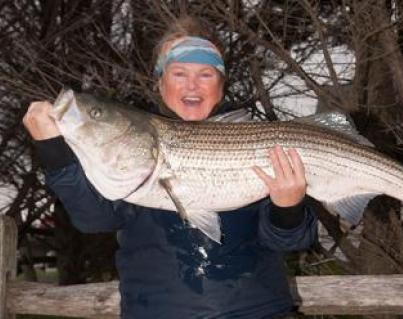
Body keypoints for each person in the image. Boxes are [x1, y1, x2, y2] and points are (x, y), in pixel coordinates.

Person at [23, 16, 318, 319]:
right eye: (179, 73)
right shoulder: (126, 150)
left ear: (221, 84)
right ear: (160, 82)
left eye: (206, 74)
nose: (192, 85)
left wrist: (288, 208)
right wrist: (54, 151)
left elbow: (293, 240)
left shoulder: (263, 143)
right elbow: (93, 218)